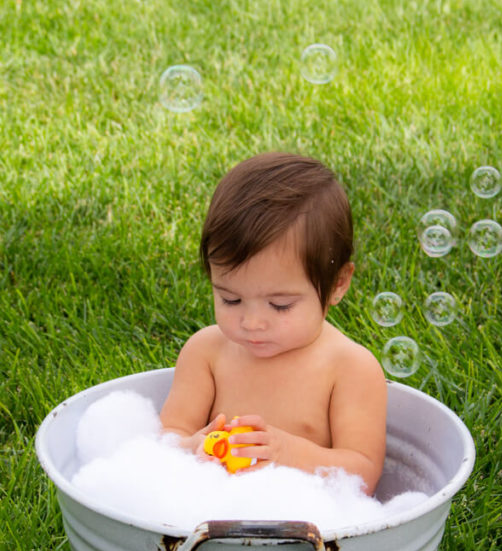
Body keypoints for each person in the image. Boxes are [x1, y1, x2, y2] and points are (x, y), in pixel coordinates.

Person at [160, 152, 387, 494]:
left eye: (280, 306)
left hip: (307, 528)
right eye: (230, 299)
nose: (252, 323)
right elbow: (166, 440)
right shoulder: (206, 353)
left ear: (338, 285)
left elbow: (363, 474)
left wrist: (290, 453)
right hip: (207, 513)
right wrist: (191, 448)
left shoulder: (349, 368)